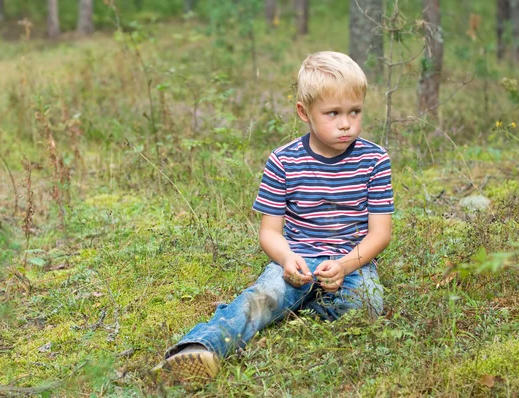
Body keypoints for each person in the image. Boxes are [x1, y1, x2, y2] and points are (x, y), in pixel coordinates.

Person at [157, 51, 394, 387]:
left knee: (367, 305)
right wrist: (286, 259)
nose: (346, 123)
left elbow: (380, 234)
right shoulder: (284, 161)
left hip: (351, 261)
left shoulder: (374, 159)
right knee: (263, 296)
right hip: (295, 259)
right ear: (304, 112)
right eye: (333, 113)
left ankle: (301, 304)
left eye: (354, 112)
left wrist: (344, 266)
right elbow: (270, 232)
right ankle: (203, 347)